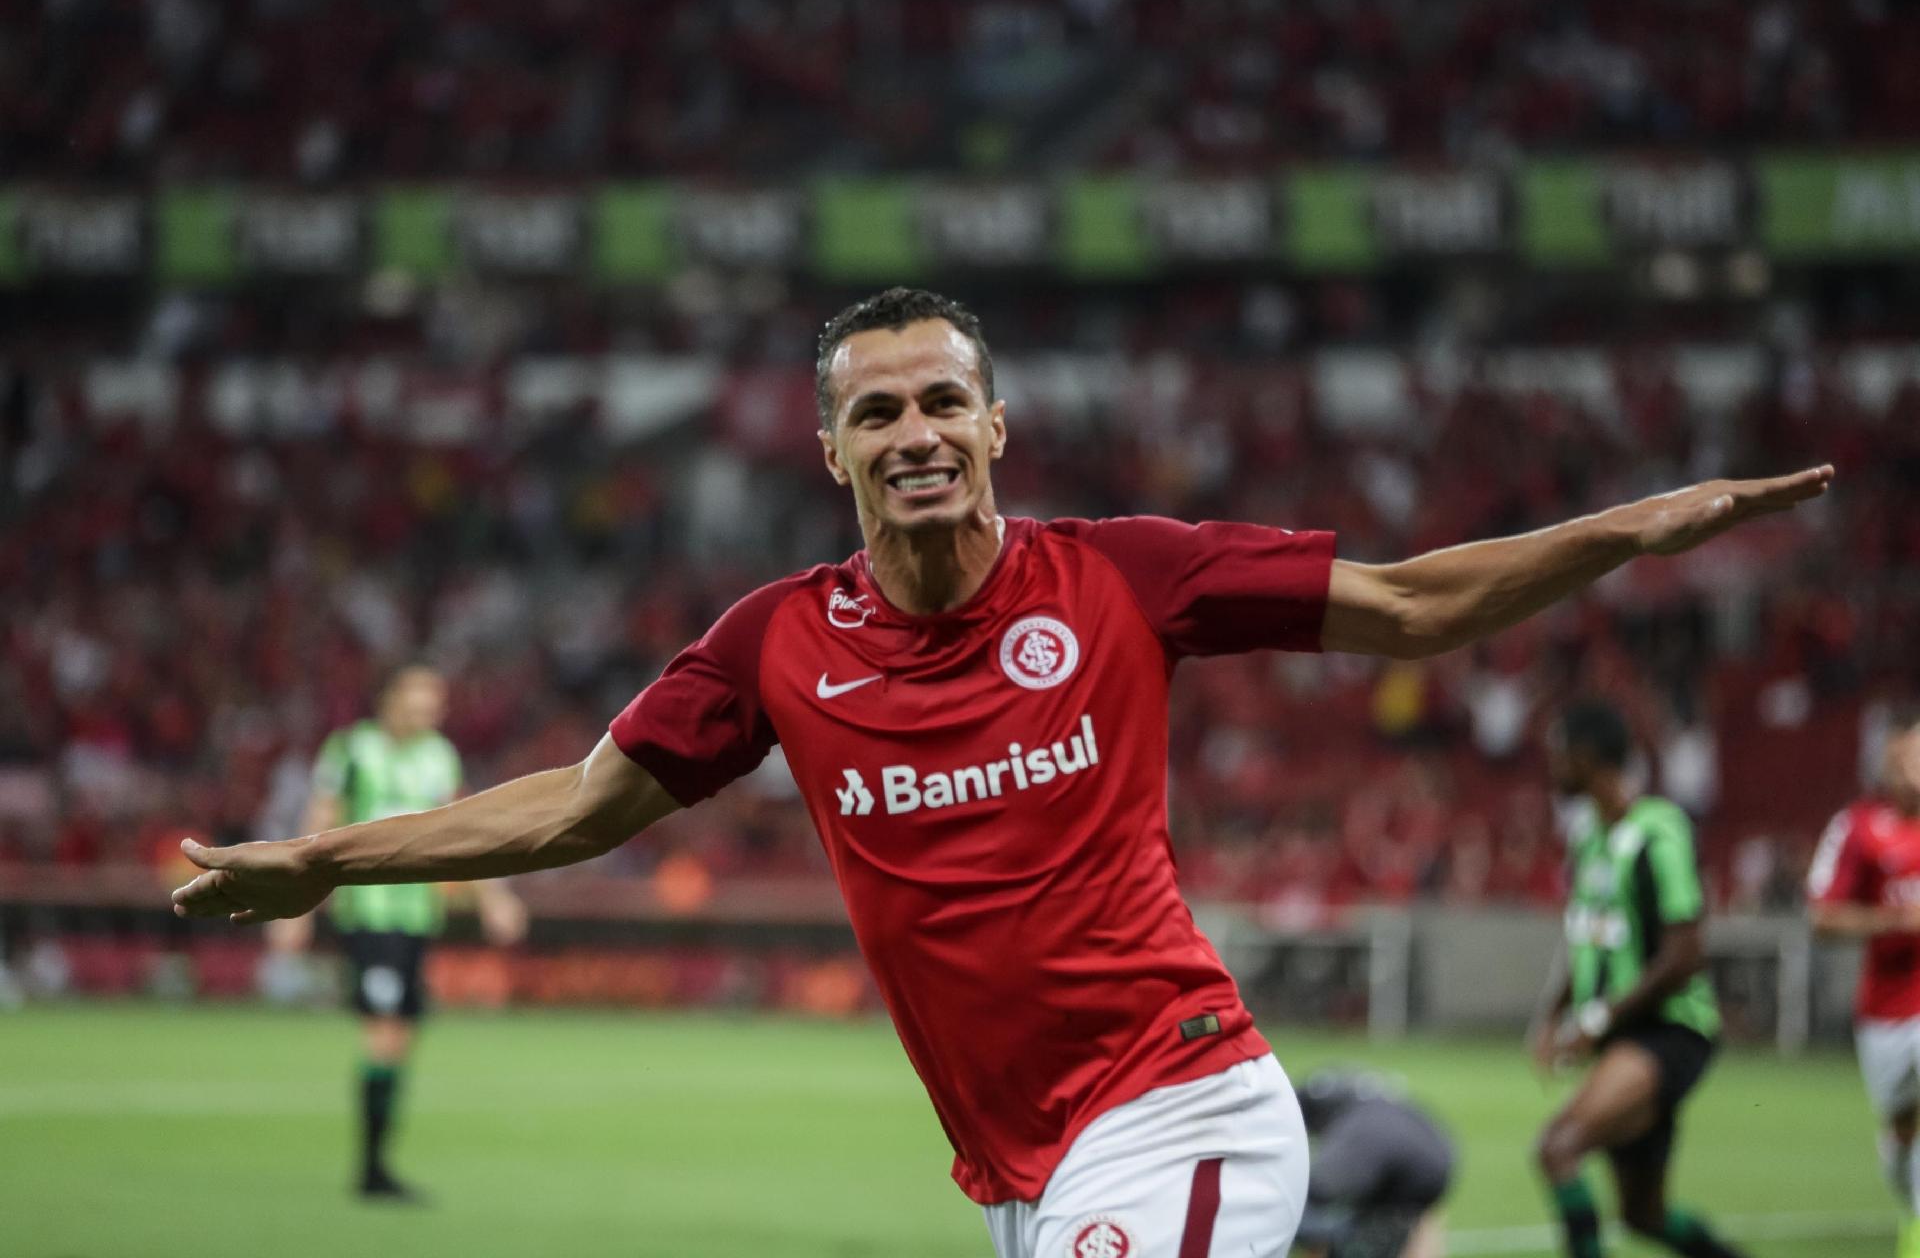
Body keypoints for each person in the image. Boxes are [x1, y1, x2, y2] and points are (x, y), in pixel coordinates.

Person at [172, 288, 1831, 1257]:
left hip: (1180, 1101)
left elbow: (1403, 605)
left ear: (995, 427)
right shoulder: (771, 646)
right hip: (1017, 1170)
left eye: (941, 401)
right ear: (830, 450)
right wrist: (326, 862)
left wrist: (1637, 528)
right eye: (875, 409)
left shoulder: (1122, 577)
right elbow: (570, 805)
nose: (912, 430)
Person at [267, 664, 527, 1202]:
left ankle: (376, 1167)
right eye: (421, 697)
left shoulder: (439, 756)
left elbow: (461, 832)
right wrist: (296, 909)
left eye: (437, 700)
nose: (433, 709)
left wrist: (493, 897)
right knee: (384, 1033)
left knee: (401, 1039)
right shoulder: (351, 750)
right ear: (390, 698)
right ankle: (371, 1172)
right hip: (370, 912)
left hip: (417, 916)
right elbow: (319, 827)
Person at [1529, 698, 1746, 1258]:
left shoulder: (1660, 831)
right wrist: (1552, 1016)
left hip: (1670, 1031)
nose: (1551, 767)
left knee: (1558, 1148)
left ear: (1586, 757)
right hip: (1627, 1038)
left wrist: (1596, 1018)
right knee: (1643, 1216)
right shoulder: (1590, 839)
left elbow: (1684, 956)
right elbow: (1590, 941)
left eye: (1559, 754)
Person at [1807, 712, 1920, 1258]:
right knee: (1902, 1132)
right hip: (1883, 1012)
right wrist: (1898, 921)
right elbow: (1823, 919)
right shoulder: (1858, 828)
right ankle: (1908, 1199)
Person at [1292, 1070, 1454, 1258]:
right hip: (1437, 1167)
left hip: (1395, 1174)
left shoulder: (1357, 1124)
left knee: (1308, 1210)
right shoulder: (1378, 1106)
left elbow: (1318, 1191)